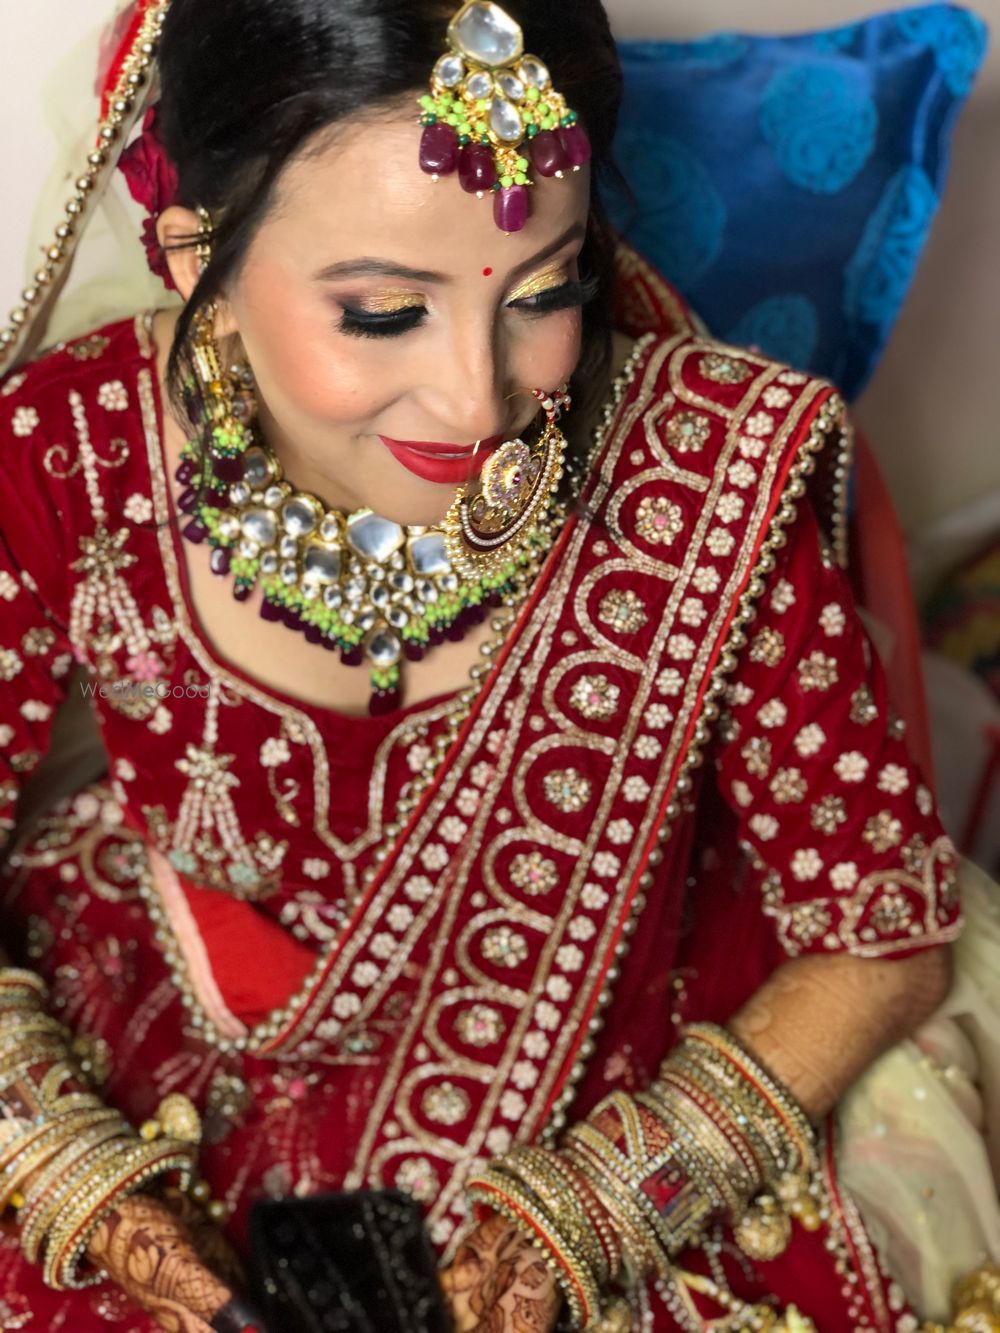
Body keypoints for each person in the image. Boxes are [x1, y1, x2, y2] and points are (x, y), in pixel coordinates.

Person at [0, 1, 996, 1329]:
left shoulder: (698, 474)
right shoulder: (71, 448)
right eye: (381, 311)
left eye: (545, 291)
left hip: (628, 1069)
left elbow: (883, 932)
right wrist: (75, 1179)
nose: (479, 400)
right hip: (169, 1043)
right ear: (196, 259)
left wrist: (608, 1196)